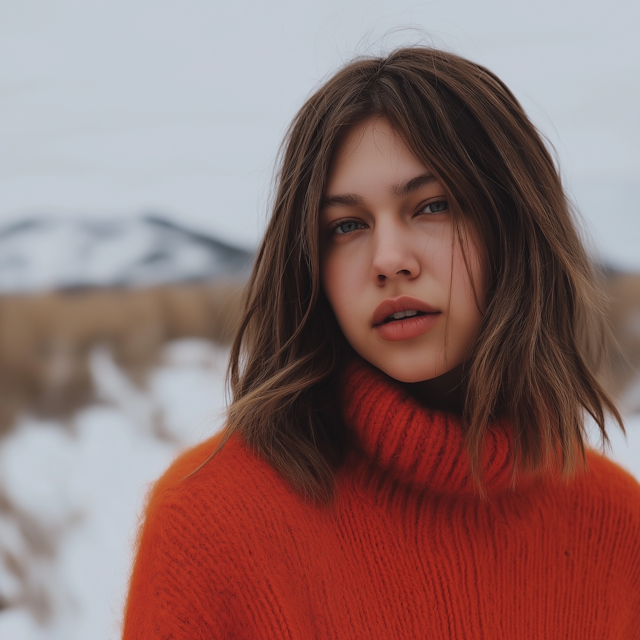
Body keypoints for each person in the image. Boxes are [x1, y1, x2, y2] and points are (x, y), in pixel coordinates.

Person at [121, 47, 640, 639]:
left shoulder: (617, 526)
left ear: (513, 227)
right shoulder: (211, 525)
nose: (389, 260)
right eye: (347, 225)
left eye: (432, 206)